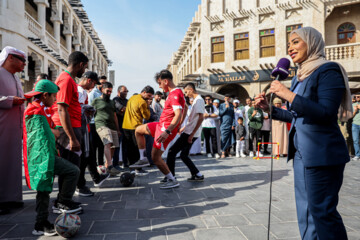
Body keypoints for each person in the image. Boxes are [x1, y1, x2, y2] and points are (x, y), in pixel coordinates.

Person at [256, 27, 352, 240]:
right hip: (301, 153)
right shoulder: (298, 77)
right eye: (289, 44)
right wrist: (269, 110)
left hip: (322, 154)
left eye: (296, 42)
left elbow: (327, 113)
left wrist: (287, 95)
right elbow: (296, 116)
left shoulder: (328, 71)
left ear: (312, 42)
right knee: (306, 212)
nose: (290, 48)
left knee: (322, 213)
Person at [23, 79, 81, 236]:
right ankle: (41, 224)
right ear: (45, 95)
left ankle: (60, 203)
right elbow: (49, 134)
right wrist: (54, 132)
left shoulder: (41, 109)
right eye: (53, 96)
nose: (55, 99)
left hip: (47, 154)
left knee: (67, 174)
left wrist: (53, 132)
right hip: (42, 156)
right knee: (44, 188)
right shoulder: (34, 110)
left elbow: (54, 131)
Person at [134, 70, 186, 189]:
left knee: (156, 158)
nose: (159, 86)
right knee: (138, 130)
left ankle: (172, 180)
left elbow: (178, 113)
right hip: (160, 125)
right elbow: (185, 108)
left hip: (165, 129)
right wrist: (179, 124)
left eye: (160, 83)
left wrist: (168, 131)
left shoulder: (175, 94)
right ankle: (142, 158)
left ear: (166, 81)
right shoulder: (175, 93)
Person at [51, 51, 91, 204]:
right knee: (70, 168)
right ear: (81, 64)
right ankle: (63, 201)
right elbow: (62, 109)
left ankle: (64, 198)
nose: (84, 71)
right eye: (84, 67)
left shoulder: (69, 80)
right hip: (66, 130)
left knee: (73, 166)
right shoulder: (66, 80)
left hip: (72, 128)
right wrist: (72, 138)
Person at [0, 46, 26, 215]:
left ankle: (12, 197)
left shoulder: (16, 78)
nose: (24, 64)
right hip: (2, 128)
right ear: (10, 58)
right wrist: (10, 100)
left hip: (14, 129)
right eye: (22, 60)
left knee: (14, 164)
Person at [78, 71, 110, 190]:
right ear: (89, 80)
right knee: (83, 157)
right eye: (94, 84)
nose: (94, 87)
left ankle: (95, 179)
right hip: (79, 128)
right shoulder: (80, 91)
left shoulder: (84, 93)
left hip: (84, 127)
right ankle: (79, 185)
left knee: (89, 154)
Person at [166, 83, 205, 181]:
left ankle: (171, 177)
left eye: (186, 92)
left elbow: (201, 117)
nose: (186, 94)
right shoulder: (196, 100)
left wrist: (191, 134)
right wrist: (183, 128)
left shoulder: (199, 100)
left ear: (191, 89)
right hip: (189, 131)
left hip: (190, 133)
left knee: (171, 152)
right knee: (183, 155)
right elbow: (194, 119)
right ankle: (197, 174)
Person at [91, 82, 122, 176]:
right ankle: (110, 166)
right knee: (107, 142)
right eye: (107, 91)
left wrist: (118, 129)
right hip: (101, 124)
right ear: (102, 90)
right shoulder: (96, 101)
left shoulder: (112, 102)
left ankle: (107, 165)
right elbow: (90, 113)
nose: (109, 93)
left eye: (110, 91)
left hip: (112, 126)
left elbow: (115, 116)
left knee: (113, 146)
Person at [123, 85, 154, 175]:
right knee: (137, 148)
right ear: (144, 92)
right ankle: (138, 169)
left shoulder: (132, 97)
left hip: (126, 125)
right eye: (148, 96)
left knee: (129, 149)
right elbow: (147, 116)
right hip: (135, 127)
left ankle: (131, 168)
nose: (149, 99)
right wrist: (148, 106)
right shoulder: (142, 102)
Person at [88, 76, 107, 166]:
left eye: (104, 83)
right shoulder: (93, 94)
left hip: (101, 123)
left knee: (101, 145)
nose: (103, 84)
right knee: (94, 145)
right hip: (93, 123)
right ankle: (93, 165)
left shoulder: (103, 93)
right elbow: (91, 108)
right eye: (101, 83)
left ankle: (100, 164)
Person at [113, 85, 129, 168]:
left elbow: (128, 110)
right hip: (117, 126)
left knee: (126, 146)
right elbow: (122, 109)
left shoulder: (127, 101)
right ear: (119, 92)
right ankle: (115, 164)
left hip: (126, 125)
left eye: (127, 91)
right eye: (124, 91)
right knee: (117, 146)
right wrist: (125, 110)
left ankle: (126, 163)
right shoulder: (115, 100)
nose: (126, 93)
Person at [351, 94, 360, 161]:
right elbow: (351, 116)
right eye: (355, 97)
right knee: (355, 140)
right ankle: (357, 155)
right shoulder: (353, 105)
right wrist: (355, 111)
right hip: (355, 125)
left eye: (358, 96)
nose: (356, 98)